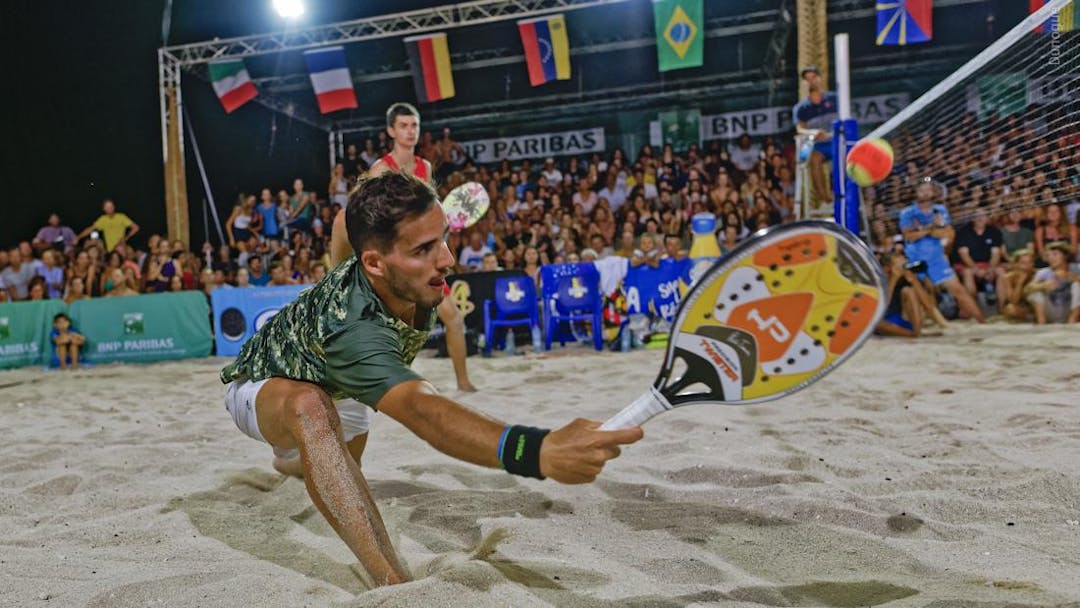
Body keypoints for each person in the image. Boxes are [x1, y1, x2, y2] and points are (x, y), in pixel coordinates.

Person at [220, 173, 642, 586]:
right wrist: (537, 450)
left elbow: (343, 225)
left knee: (335, 466)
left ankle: (289, 461)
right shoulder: (355, 330)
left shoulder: (400, 273)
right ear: (374, 262)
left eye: (443, 237)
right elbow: (425, 413)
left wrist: (377, 194)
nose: (447, 259)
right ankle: (394, 584)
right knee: (310, 412)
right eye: (424, 248)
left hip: (339, 384)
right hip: (264, 383)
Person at [363, 102, 476, 392]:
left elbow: (431, 213)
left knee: (452, 318)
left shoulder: (425, 167)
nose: (410, 131)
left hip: (425, 261)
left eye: (414, 125)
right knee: (400, 331)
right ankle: (394, 388)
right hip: (397, 262)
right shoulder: (379, 169)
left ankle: (463, 384)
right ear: (391, 130)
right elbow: (369, 219)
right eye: (403, 126)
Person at [899, 178, 984, 322]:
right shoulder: (907, 212)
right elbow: (909, 237)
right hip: (915, 259)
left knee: (958, 291)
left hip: (937, 258)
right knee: (919, 293)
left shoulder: (940, 210)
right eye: (922, 190)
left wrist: (923, 230)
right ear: (916, 193)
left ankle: (982, 322)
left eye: (928, 190)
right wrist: (932, 228)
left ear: (933, 192)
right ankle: (916, 325)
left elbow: (949, 233)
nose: (925, 193)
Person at [792, 66, 837, 203]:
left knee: (841, 157)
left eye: (813, 77)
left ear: (820, 78)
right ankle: (825, 198)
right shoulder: (801, 108)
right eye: (807, 79)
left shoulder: (835, 98)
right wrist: (813, 133)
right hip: (816, 144)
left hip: (835, 140)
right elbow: (800, 129)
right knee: (813, 159)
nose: (811, 81)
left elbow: (844, 121)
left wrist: (830, 134)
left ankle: (839, 193)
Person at [952, 208, 1006, 309]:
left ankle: (1002, 308)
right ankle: (973, 309)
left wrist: (990, 269)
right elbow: (964, 255)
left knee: (1001, 272)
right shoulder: (963, 232)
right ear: (972, 218)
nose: (980, 218)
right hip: (967, 265)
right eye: (977, 216)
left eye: (983, 215)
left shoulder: (994, 231)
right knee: (968, 273)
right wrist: (976, 269)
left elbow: (996, 253)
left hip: (988, 264)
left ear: (987, 218)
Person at [1025, 243, 1080, 324]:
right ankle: (1042, 323)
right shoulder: (1043, 272)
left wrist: (1071, 277)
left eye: (1055, 254)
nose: (1051, 258)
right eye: (1048, 255)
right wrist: (1043, 285)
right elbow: (1027, 289)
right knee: (1035, 292)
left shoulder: (1077, 268)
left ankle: (1072, 320)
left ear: (1065, 256)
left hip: (1071, 309)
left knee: (1077, 286)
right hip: (1051, 309)